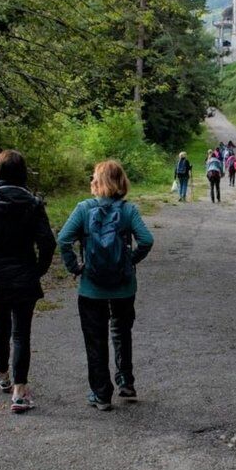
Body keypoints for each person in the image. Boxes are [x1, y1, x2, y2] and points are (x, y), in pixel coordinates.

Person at [57, 159, 154, 411]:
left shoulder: (83, 209)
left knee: (95, 338)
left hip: (91, 287)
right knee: (122, 331)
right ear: (121, 182)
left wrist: (76, 267)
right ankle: (126, 381)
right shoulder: (128, 210)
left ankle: (101, 394)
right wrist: (129, 262)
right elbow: (146, 240)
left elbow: (64, 239)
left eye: (93, 177)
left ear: (99, 182)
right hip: (124, 286)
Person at [0, 149, 56, 414]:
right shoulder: (33, 204)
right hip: (25, 275)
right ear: (22, 173)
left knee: (0, 328)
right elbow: (48, 243)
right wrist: (37, 270)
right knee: (21, 334)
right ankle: (19, 392)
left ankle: (2, 375)